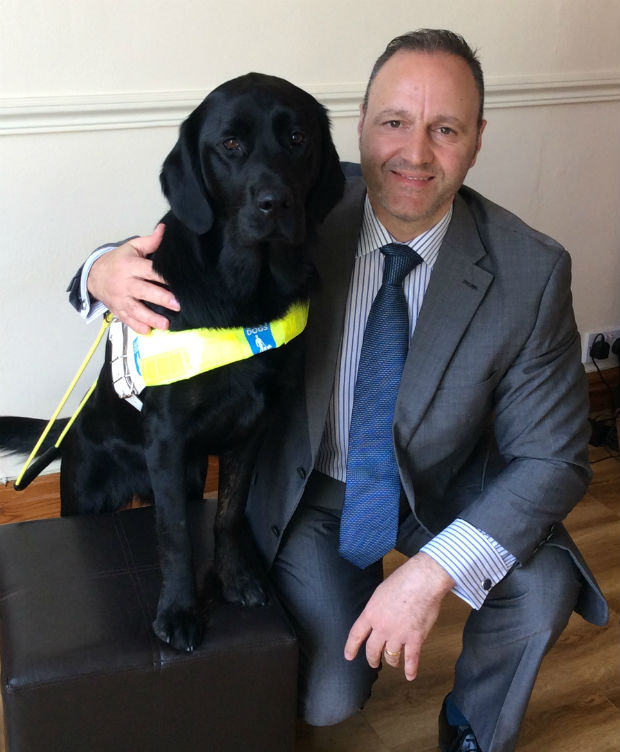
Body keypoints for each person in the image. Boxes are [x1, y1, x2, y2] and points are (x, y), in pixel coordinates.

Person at [68, 29, 607, 752]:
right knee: (327, 701)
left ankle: (473, 731)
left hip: (442, 488)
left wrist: (431, 574)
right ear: (358, 127)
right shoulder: (299, 205)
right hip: (313, 487)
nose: (415, 154)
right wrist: (99, 269)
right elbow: (175, 245)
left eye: (444, 129)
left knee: (542, 588)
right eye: (394, 123)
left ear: (477, 140)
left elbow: (557, 459)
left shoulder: (531, 270)